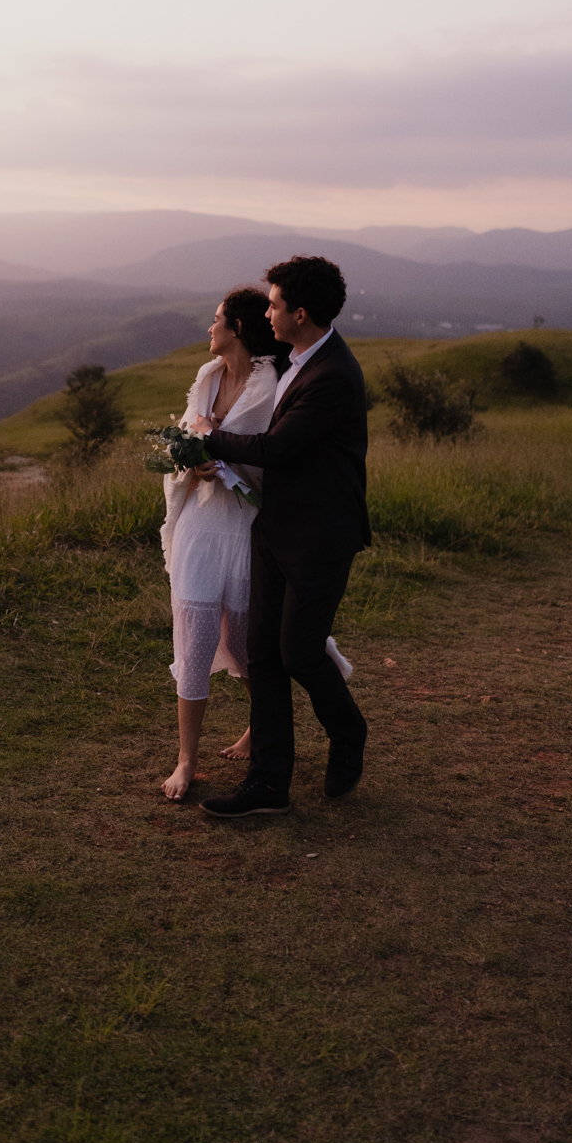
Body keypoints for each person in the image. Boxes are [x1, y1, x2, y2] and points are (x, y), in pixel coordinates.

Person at [159, 287, 352, 801]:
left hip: (248, 527)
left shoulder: (272, 385)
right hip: (201, 524)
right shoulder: (205, 378)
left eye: (217, 319)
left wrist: (218, 451)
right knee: (194, 637)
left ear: (237, 328)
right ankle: (186, 759)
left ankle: (261, 732)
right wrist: (191, 461)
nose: (209, 328)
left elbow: (278, 457)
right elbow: (187, 436)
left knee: (253, 645)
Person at [195, 256, 370, 818]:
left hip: (321, 536)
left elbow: (278, 449)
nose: (265, 312)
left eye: (272, 304)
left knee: (298, 653)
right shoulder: (292, 360)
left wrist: (209, 439)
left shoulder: (334, 376)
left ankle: (348, 731)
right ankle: (268, 786)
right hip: (273, 528)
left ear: (299, 313)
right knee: (262, 655)